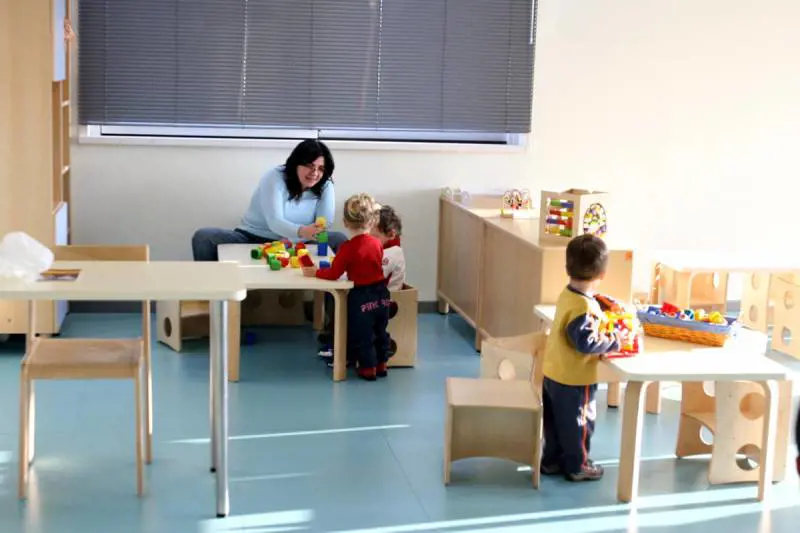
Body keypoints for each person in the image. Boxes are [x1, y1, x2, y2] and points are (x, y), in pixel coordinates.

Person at [540, 234, 629, 482]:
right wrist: (615, 340)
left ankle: (551, 461)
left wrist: (597, 303)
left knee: (555, 422)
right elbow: (586, 342)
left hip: (553, 373)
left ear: (568, 267)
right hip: (575, 379)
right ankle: (578, 465)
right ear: (602, 274)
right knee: (579, 424)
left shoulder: (567, 295)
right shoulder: (584, 307)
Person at [191, 139, 348, 261]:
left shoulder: (325, 184)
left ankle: (336, 294)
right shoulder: (275, 177)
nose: (315, 173)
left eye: (321, 168)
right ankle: (213, 292)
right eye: (309, 166)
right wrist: (302, 231)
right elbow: (274, 222)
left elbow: (325, 223)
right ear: (296, 164)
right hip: (254, 238)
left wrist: (314, 232)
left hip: (300, 242)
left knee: (339, 239)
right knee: (204, 237)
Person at [302, 193, 391, 381]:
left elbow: (334, 274)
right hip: (382, 294)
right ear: (372, 221)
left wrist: (316, 272)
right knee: (380, 331)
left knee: (363, 334)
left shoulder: (348, 248)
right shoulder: (377, 243)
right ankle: (382, 365)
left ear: (345, 222)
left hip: (361, 296)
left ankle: (368, 369)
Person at [317, 204, 405, 361]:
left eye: (373, 235)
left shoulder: (391, 252)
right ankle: (333, 334)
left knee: (339, 296)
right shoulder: (380, 246)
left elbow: (369, 276)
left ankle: (340, 344)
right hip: (376, 294)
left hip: (381, 298)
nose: (368, 238)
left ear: (390, 234)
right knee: (337, 293)